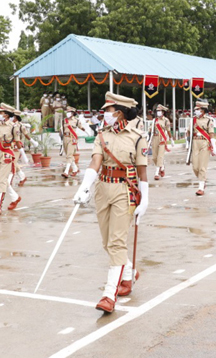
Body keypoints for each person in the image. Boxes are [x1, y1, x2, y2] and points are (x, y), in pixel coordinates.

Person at [73, 92, 149, 314]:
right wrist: (84, 186)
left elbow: (142, 171)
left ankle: (109, 294)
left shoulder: (137, 137)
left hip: (124, 191)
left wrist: (145, 199)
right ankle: (128, 273)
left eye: (107, 111)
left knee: (116, 243)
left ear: (119, 113)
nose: (104, 114)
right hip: (102, 189)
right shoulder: (101, 135)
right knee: (107, 242)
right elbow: (96, 160)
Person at [0, 103, 21, 216]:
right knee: (1, 179)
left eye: (1, 113)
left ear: (7, 115)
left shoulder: (13, 126)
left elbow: (17, 142)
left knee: (2, 180)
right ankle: (15, 197)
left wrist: (21, 151)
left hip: (7, 153)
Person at [189, 100, 216, 196]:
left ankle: (201, 186)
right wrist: (187, 142)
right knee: (195, 167)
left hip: (205, 143)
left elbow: (211, 134)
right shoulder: (193, 120)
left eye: (198, 109)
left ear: (203, 110)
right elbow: (189, 132)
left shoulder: (209, 120)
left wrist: (214, 146)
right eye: (196, 109)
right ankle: (203, 180)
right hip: (195, 143)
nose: (196, 111)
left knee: (202, 167)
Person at [61, 106, 92, 178]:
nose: (67, 113)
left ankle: (66, 171)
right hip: (65, 138)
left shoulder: (76, 120)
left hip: (72, 138)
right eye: (67, 111)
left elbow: (82, 127)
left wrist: (88, 133)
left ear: (72, 113)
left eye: (69, 112)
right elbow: (62, 130)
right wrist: (61, 140)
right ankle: (75, 169)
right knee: (69, 155)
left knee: (69, 155)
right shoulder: (64, 120)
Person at [151, 104, 172, 180]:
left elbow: (168, 130)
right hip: (155, 138)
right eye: (157, 111)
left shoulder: (166, 120)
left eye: (160, 111)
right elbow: (151, 131)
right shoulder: (154, 120)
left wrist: (171, 139)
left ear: (163, 112)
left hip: (162, 138)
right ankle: (161, 166)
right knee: (154, 157)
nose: (158, 112)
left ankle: (156, 172)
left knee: (160, 156)